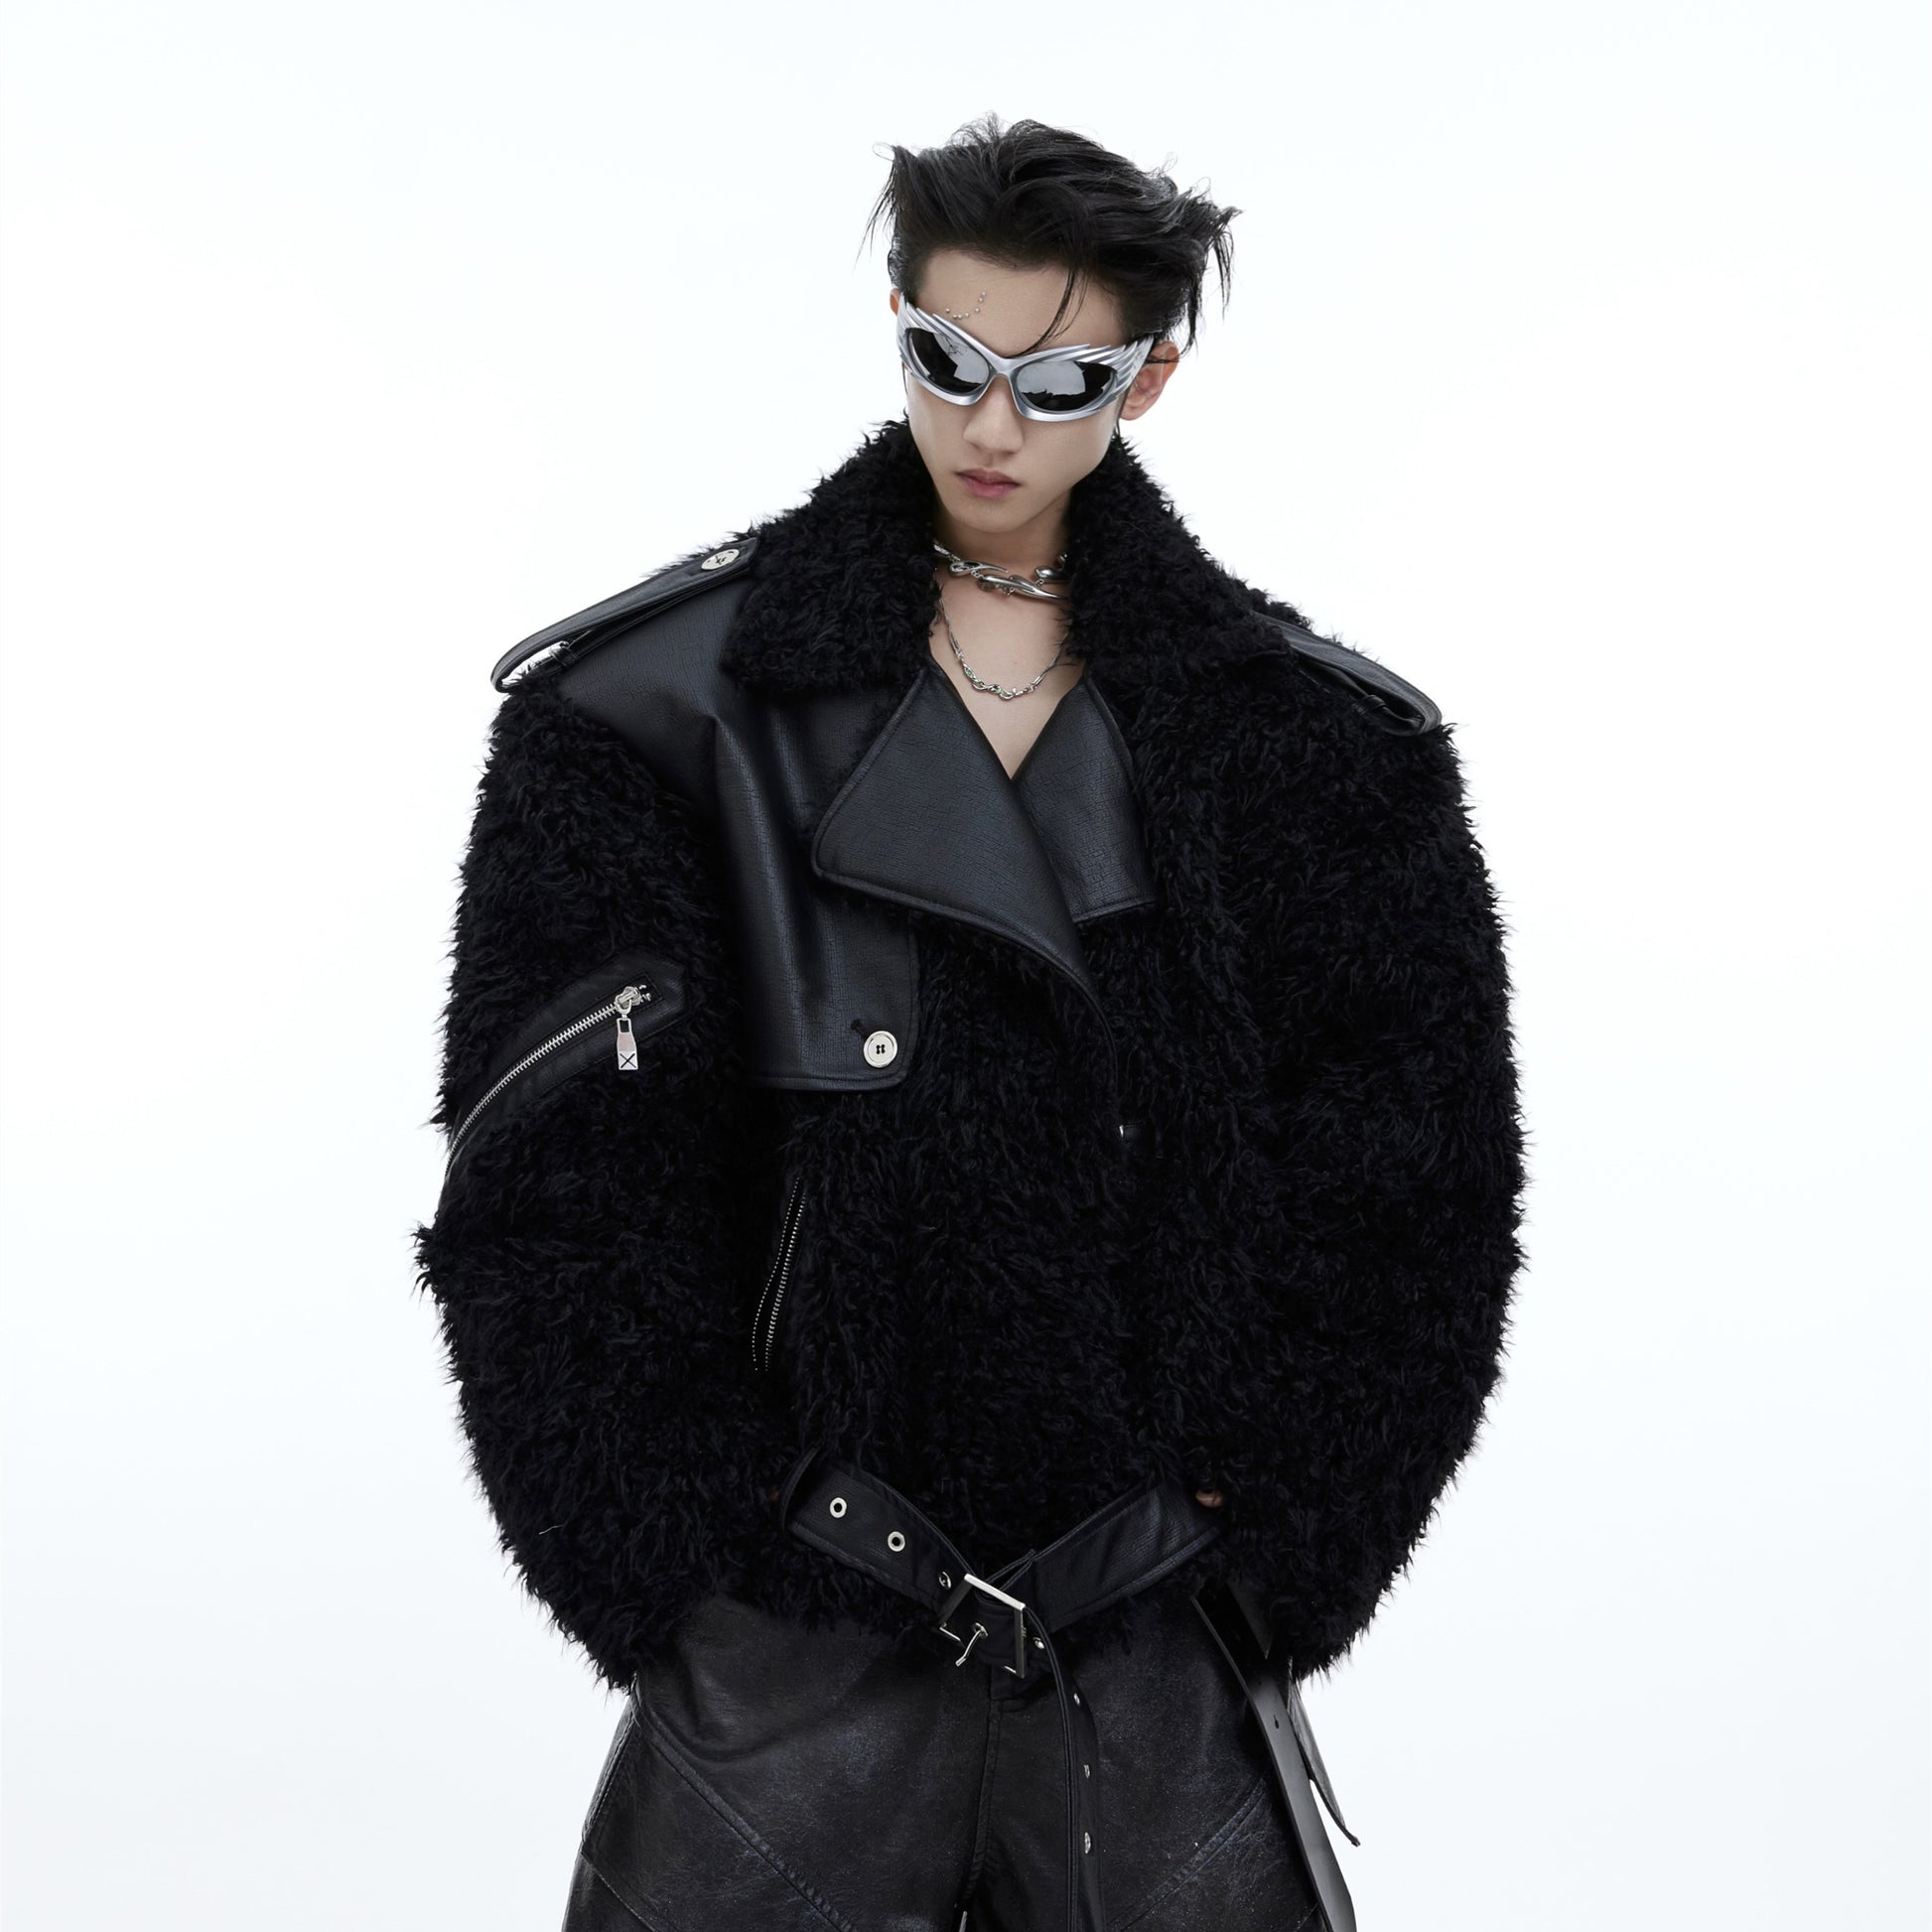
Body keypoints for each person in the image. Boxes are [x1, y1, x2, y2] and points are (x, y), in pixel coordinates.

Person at [412, 113, 1527, 1932]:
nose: (991, 422)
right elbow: (550, 1194)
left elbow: (1416, 1196)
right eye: (947, 358)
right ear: (897, 321)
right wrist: (680, 1557)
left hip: (1153, 1633)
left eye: (1058, 379)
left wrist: (1265, 1551)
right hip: (786, 1636)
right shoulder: (646, 712)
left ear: (1148, 379)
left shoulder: (1319, 753)